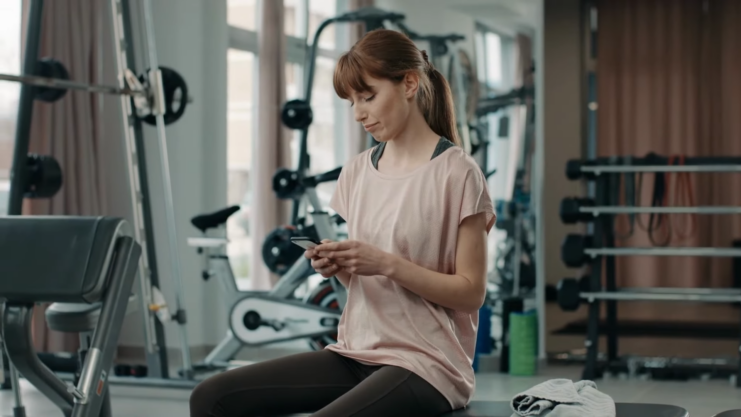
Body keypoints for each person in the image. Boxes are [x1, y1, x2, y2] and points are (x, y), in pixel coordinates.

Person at [189, 28, 495, 417]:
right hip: (357, 351)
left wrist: (384, 262)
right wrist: (340, 267)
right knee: (210, 396)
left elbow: (471, 294)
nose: (359, 113)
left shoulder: (458, 173)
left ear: (409, 84)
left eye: (368, 96)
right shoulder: (357, 173)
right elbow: (372, 287)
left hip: (428, 363)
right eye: (352, 101)